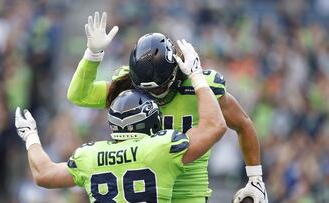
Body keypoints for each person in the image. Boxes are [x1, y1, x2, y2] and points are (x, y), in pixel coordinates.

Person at [67, 11, 268, 203]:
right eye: (148, 91)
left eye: (161, 87)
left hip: (188, 193)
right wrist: (92, 55)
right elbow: (79, 95)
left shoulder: (200, 86)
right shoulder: (127, 84)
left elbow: (242, 123)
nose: (156, 94)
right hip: (144, 192)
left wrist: (255, 177)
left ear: (175, 71)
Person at [15, 39, 227, 202]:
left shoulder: (90, 155)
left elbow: (43, 174)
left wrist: (31, 136)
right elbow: (215, 126)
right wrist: (197, 76)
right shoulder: (163, 148)